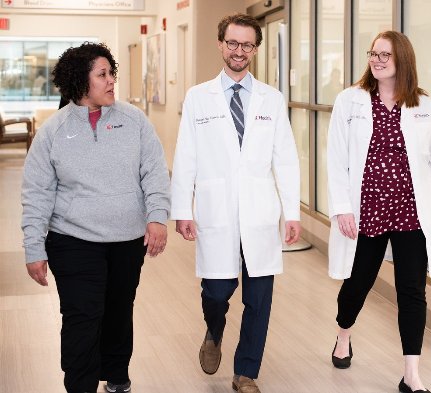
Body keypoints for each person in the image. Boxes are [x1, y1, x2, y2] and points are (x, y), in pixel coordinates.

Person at [21, 42, 171, 393]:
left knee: (119, 311)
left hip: (126, 240)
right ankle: (80, 385)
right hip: (72, 240)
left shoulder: (134, 121)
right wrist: (33, 247)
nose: (111, 81)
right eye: (102, 75)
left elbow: (154, 172)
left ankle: (117, 374)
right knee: (81, 317)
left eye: (111, 73)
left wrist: (158, 216)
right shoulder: (54, 132)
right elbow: (36, 192)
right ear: (80, 82)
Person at [170, 14, 301, 393]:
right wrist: (182, 210)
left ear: (255, 50)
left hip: (260, 213)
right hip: (217, 210)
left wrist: (291, 212)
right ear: (220, 44)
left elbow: (286, 159)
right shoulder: (198, 97)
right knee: (216, 291)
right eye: (232, 43)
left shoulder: (271, 99)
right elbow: (186, 158)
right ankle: (214, 328)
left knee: (259, 299)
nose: (238, 51)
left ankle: (246, 372)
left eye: (246, 45)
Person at [326, 31, 431, 393]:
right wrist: (341, 208)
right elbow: (335, 159)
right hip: (366, 210)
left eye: (386, 55)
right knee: (358, 284)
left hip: (410, 210)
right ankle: (343, 334)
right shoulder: (350, 100)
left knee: (412, 290)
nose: (377, 60)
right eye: (374, 53)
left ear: (403, 61)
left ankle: (411, 374)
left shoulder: (422, 104)